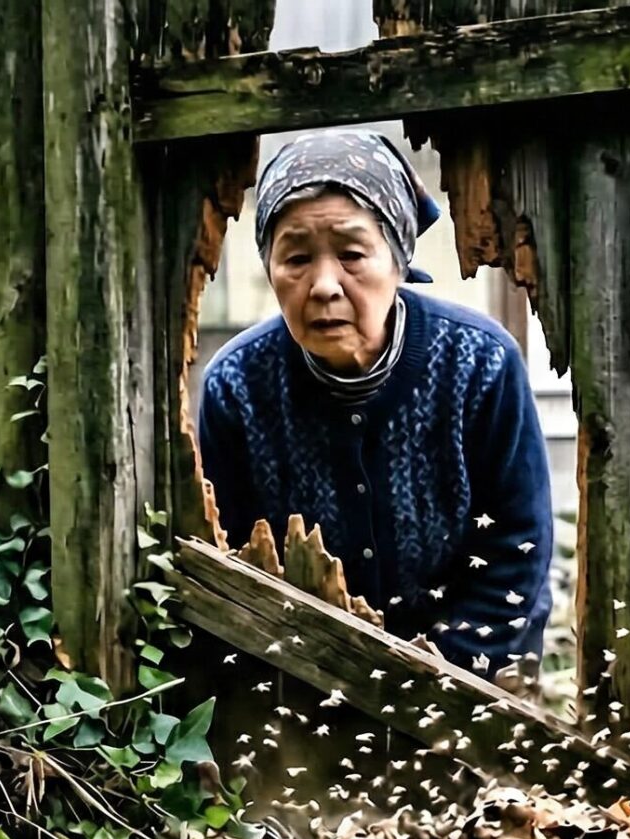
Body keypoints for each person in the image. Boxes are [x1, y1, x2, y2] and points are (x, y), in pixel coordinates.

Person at [197, 128, 555, 680]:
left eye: (352, 254)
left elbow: (517, 551)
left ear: (399, 258)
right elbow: (233, 569)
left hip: (470, 686)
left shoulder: (481, 365)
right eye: (295, 258)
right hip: (303, 687)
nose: (323, 285)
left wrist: (440, 682)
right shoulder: (237, 388)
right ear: (269, 268)